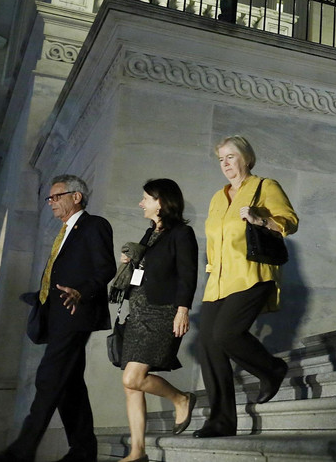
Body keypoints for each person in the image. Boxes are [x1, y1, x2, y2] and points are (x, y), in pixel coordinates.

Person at [0, 174, 115, 462]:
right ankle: (83, 449)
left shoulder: (94, 225)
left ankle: (21, 451)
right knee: (69, 384)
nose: (51, 202)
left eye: (56, 196)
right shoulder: (63, 232)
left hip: (76, 314)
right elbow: (61, 272)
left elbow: (105, 269)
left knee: (48, 378)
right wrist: (38, 297)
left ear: (76, 197)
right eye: (49, 198)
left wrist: (81, 292)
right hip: (56, 315)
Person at [196, 135, 299, 438]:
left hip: (253, 273)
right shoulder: (218, 197)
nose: (225, 164)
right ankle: (221, 421)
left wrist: (261, 220)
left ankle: (272, 370)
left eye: (230, 157)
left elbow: (289, 221)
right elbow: (215, 242)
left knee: (226, 333)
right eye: (221, 159)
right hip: (219, 281)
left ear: (245, 158)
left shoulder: (265, 186)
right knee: (207, 345)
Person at [115, 179, 199, 461]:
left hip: (161, 312)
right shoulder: (150, 234)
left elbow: (188, 274)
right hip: (137, 314)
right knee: (130, 385)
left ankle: (180, 398)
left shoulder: (182, 233)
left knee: (133, 377)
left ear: (161, 202)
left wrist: (183, 309)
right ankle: (137, 452)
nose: (141, 203)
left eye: (146, 199)